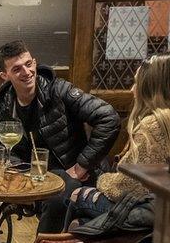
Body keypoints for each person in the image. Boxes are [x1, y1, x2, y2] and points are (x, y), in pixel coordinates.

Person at [0, 40, 120, 233]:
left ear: (34, 62)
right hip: (35, 176)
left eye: (28, 64)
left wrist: (82, 165)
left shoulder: (59, 90)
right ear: (4, 76)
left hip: (74, 173)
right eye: (17, 69)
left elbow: (109, 118)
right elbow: (1, 148)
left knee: (56, 197)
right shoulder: (1, 105)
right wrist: (20, 173)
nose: (26, 72)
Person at [67, 54, 170, 223]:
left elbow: (130, 186)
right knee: (84, 221)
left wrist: (102, 180)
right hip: (158, 209)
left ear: (150, 88)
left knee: (76, 195)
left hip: (150, 214)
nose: (132, 89)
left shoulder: (153, 125)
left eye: (137, 83)